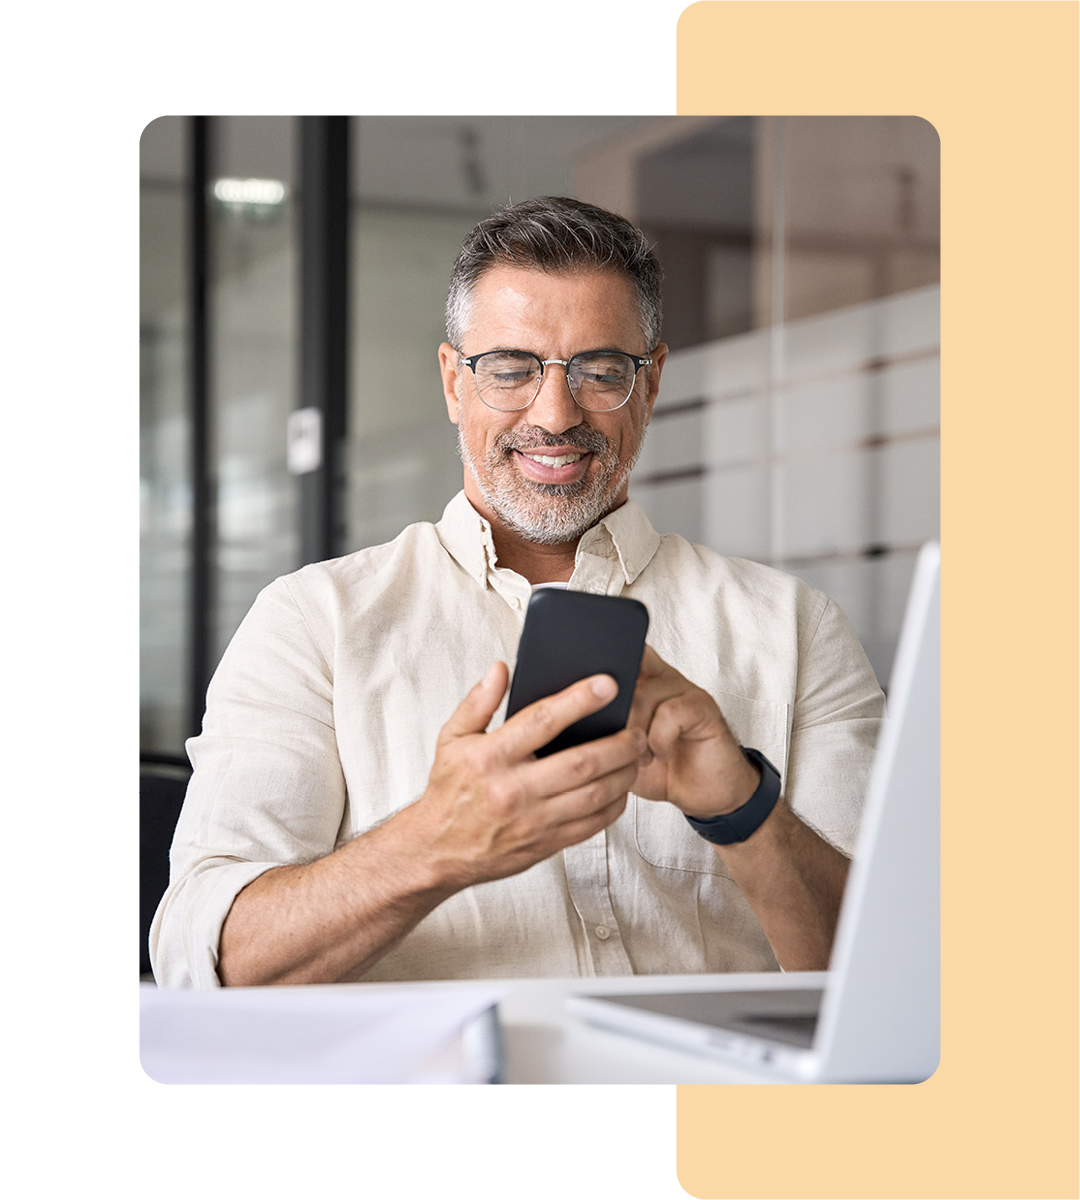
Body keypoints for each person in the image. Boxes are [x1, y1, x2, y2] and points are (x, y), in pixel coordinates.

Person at [150, 196, 884, 989]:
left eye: (602, 371)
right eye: (510, 370)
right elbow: (206, 962)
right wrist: (435, 842)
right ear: (452, 383)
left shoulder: (793, 627)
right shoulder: (314, 623)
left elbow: (899, 971)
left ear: (653, 382)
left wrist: (743, 811)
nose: (556, 414)